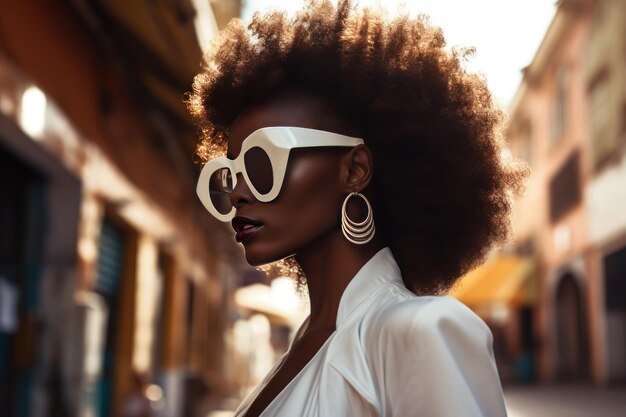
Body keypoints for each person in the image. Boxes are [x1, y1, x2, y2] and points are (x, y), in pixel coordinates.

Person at [188, 1, 526, 415]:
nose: (238, 191)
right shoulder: (305, 342)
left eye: (261, 161)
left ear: (355, 169)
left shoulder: (418, 332)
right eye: (228, 172)